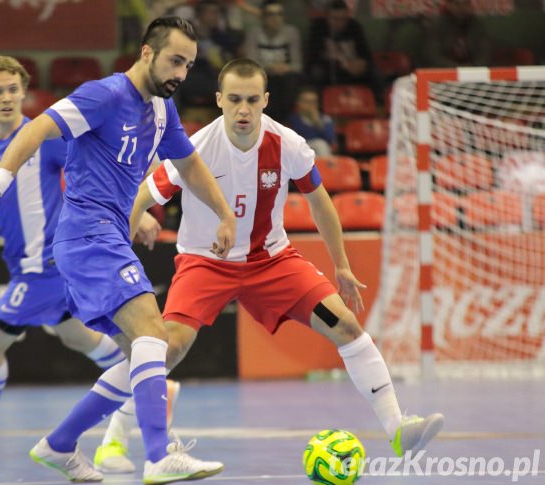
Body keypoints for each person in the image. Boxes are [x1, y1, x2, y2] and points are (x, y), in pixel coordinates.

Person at [0, 17, 236, 484]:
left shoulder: (162, 111)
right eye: (174, 60)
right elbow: (37, 129)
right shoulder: (104, 95)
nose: (182, 73)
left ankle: (59, 445)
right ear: (147, 53)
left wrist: (225, 214)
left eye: (188, 64)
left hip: (106, 237)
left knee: (140, 358)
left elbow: (189, 164)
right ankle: (158, 454)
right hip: (88, 234)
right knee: (153, 333)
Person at [129, 58, 445, 463]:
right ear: (219, 100)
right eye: (235, 100)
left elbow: (319, 201)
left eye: (252, 100)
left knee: (346, 325)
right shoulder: (195, 150)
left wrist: (342, 265)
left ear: (265, 100)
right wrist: (126, 242)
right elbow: (142, 197)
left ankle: (398, 428)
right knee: (165, 349)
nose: (243, 110)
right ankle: (125, 436)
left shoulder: (288, 144)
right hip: (205, 263)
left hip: (271, 262)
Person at [0, 55, 165, 452]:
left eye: (12, 89)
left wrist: (133, 214)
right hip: (25, 266)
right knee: (81, 339)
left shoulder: (46, 138)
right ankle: (154, 380)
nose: (6, 98)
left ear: (23, 92)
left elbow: (96, 172)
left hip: (48, 267)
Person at [305, 0, 383, 101]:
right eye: (335, 19)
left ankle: (377, 106)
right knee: (316, 73)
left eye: (343, 19)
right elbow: (312, 59)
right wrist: (343, 64)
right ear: (327, 18)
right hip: (329, 70)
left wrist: (362, 63)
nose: (340, 23)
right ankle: (321, 107)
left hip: (352, 71)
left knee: (375, 73)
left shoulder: (354, 26)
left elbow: (366, 55)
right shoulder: (318, 28)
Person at [244, 0, 303, 122]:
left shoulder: (291, 33)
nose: (275, 18)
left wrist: (285, 68)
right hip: (263, 77)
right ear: (263, 17)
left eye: (279, 14)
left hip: (285, 78)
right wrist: (270, 67)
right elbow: (250, 64)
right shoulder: (254, 33)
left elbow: (298, 65)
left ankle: (284, 122)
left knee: (289, 80)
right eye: (271, 14)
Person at [420, 0, 491, 68]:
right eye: (457, 4)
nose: (462, 8)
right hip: (444, 72)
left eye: (465, 4)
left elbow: (485, 54)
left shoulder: (476, 24)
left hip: (474, 72)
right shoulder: (436, 25)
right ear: (448, 5)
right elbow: (433, 56)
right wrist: (458, 69)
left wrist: (474, 68)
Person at [288, 85, 336, 156]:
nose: (310, 105)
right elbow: (301, 136)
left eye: (313, 102)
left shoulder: (325, 119)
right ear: (298, 103)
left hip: (322, 149)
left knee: (321, 145)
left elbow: (330, 138)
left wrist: (317, 121)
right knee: (320, 144)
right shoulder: (294, 119)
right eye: (307, 101)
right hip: (300, 149)